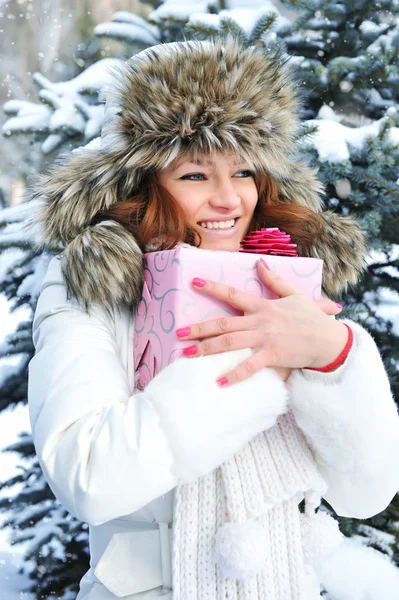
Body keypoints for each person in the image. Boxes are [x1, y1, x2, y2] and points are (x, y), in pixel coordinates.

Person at [28, 37, 399, 600]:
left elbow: (365, 493)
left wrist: (333, 357)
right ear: (146, 184)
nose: (229, 199)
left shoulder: (289, 282)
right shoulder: (94, 285)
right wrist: (253, 365)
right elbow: (89, 476)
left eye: (244, 171)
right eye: (196, 175)